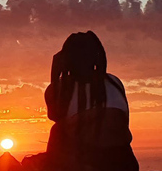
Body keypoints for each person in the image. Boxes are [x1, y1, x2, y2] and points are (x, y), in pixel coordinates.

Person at [42, 31, 139, 171]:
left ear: (66, 60)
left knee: (56, 130)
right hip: (125, 161)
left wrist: (55, 75)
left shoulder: (62, 89)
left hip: (89, 162)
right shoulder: (114, 82)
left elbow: (54, 116)